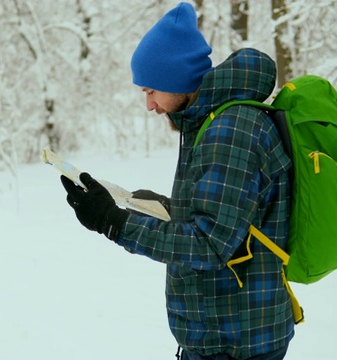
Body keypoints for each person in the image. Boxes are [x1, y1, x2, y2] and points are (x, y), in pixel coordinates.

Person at [59, 2, 295, 360]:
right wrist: (163, 208)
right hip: (224, 331)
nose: (149, 105)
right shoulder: (207, 122)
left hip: (236, 340)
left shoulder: (228, 132)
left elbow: (210, 245)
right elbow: (231, 219)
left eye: (152, 91)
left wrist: (115, 223)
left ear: (178, 80)